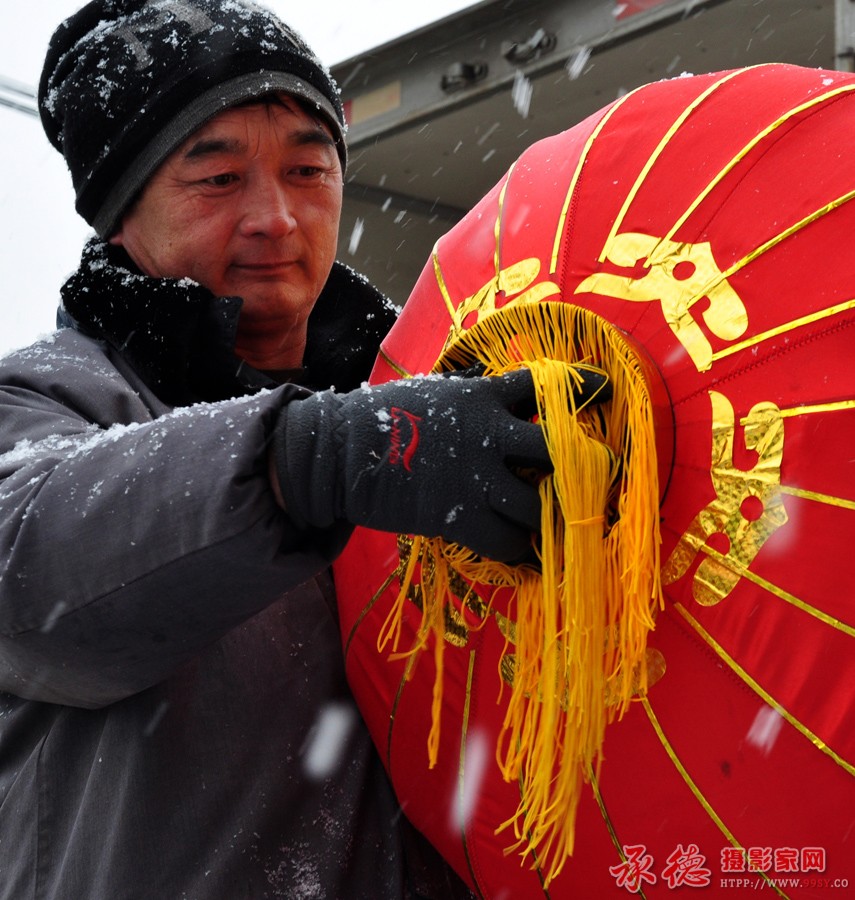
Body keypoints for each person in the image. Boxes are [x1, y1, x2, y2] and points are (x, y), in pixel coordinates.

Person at [0, 2, 607, 897]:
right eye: (218, 178)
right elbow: (33, 576)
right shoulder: (43, 399)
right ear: (120, 213)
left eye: (307, 170)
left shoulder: (434, 398)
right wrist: (307, 461)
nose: (276, 218)